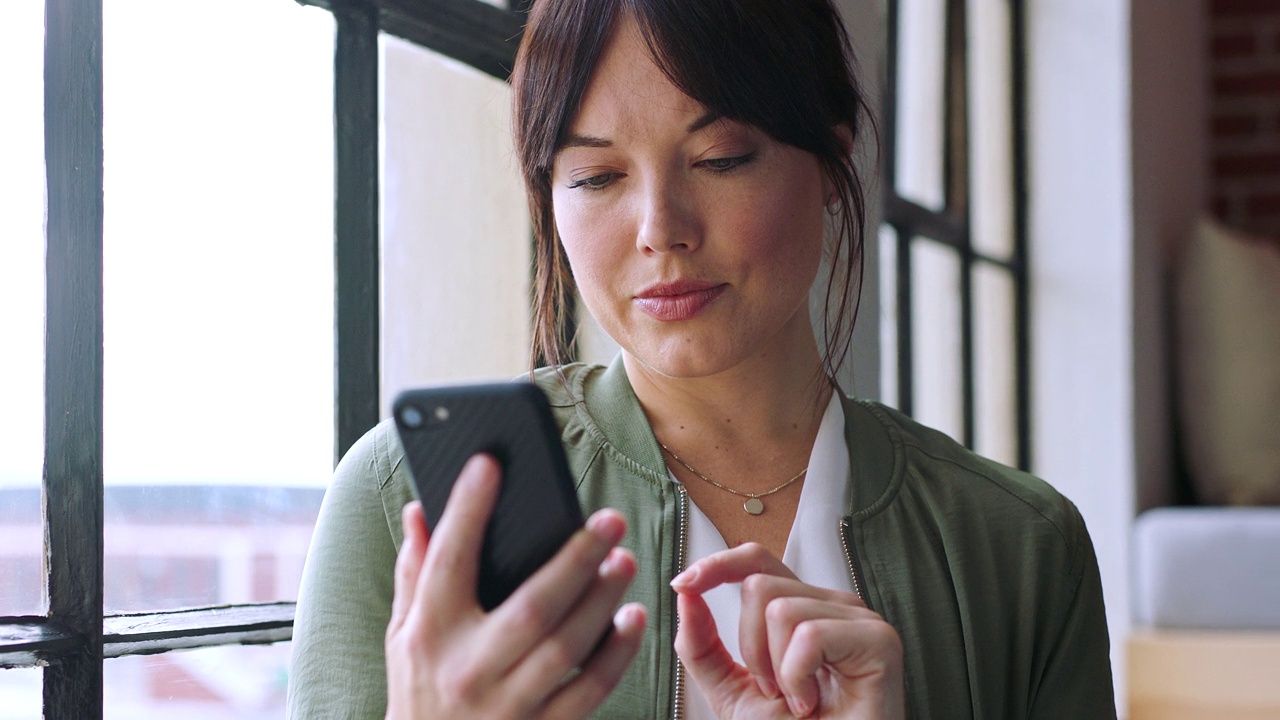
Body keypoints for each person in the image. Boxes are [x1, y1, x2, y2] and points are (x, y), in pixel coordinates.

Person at [287, 0, 1116, 718]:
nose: (661, 228)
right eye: (597, 177)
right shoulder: (411, 504)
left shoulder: (1022, 551)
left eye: (720, 160)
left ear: (832, 161)